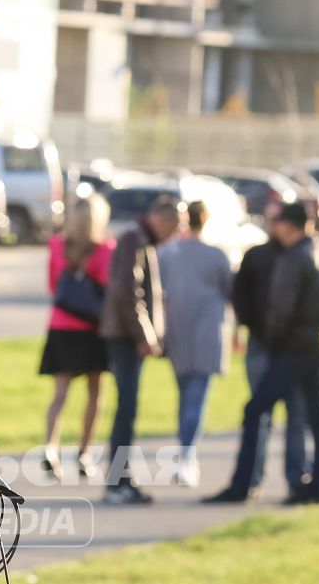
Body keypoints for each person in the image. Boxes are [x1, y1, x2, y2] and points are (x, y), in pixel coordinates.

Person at [205, 203, 319, 505]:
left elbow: (281, 307)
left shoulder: (294, 258)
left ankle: (244, 483)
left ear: (289, 226)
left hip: (291, 349)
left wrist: (272, 339)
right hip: (316, 348)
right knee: (315, 417)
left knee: (256, 411)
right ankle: (314, 485)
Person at [231, 212, 311, 497]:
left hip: (292, 349)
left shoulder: (303, 256)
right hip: (263, 344)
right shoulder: (258, 256)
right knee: (259, 413)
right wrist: (252, 326)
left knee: (297, 414)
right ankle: (250, 479)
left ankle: (297, 477)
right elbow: (239, 295)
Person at [156, 201, 232, 488]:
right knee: (195, 398)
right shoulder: (216, 255)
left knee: (186, 395)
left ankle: (186, 452)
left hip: (179, 329)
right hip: (206, 332)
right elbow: (230, 292)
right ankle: (187, 455)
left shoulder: (168, 253)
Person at [37, 194, 113, 479]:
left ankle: (51, 447)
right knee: (95, 393)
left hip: (61, 326)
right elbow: (106, 290)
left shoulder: (57, 247)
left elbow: (53, 285)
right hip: (92, 330)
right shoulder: (105, 250)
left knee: (59, 395)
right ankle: (84, 453)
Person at [98, 197, 166, 504]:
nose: (175, 232)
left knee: (128, 409)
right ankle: (117, 482)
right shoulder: (133, 239)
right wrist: (146, 334)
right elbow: (128, 291)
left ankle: (122, 479)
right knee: (126, 410)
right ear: (157, 218)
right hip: (125, 336)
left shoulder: (141, 239)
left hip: (128, 335)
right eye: (173, 224)